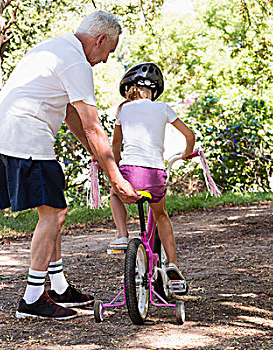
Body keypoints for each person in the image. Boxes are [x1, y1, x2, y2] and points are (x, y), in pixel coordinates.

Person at [0, 10, 140, 320]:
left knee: (52, 210)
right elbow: (93, 126)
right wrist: (116, 177)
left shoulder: (56, 48)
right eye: (108, 51)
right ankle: (32, 300)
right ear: (99, 40)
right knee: (54, 214)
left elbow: (71, 114)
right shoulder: (77, 62)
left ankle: (56, 286)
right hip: (24, 139)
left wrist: (99, 155)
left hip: (4, 137)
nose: (106, 60)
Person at [108, 62, 196, 289]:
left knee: (115, 195)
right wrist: (187, 153)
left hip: (130, 174)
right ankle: (173, 264)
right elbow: (189, 134)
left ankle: (121, 235)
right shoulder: (163, 108)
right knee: (161, 216)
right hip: (155, 175)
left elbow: (116, 143)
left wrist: (116, 170)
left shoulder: (123, 110)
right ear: (154, 91)